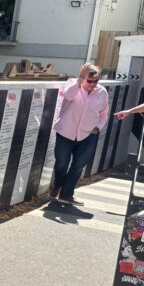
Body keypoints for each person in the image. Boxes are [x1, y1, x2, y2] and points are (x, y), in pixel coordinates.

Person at [50, 63, 109, 205]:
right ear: (83, 77)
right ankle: (57, 185)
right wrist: (80, 79)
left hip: (88, 135)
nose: (93, 84)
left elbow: (104, 113)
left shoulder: (102, 92)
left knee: (78, 166)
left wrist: (98, 127)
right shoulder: (72, 84)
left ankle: (66, 193)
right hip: (66, 131)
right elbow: (68, 96)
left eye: (96, 81)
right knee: (61, 162)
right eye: (90, 81)